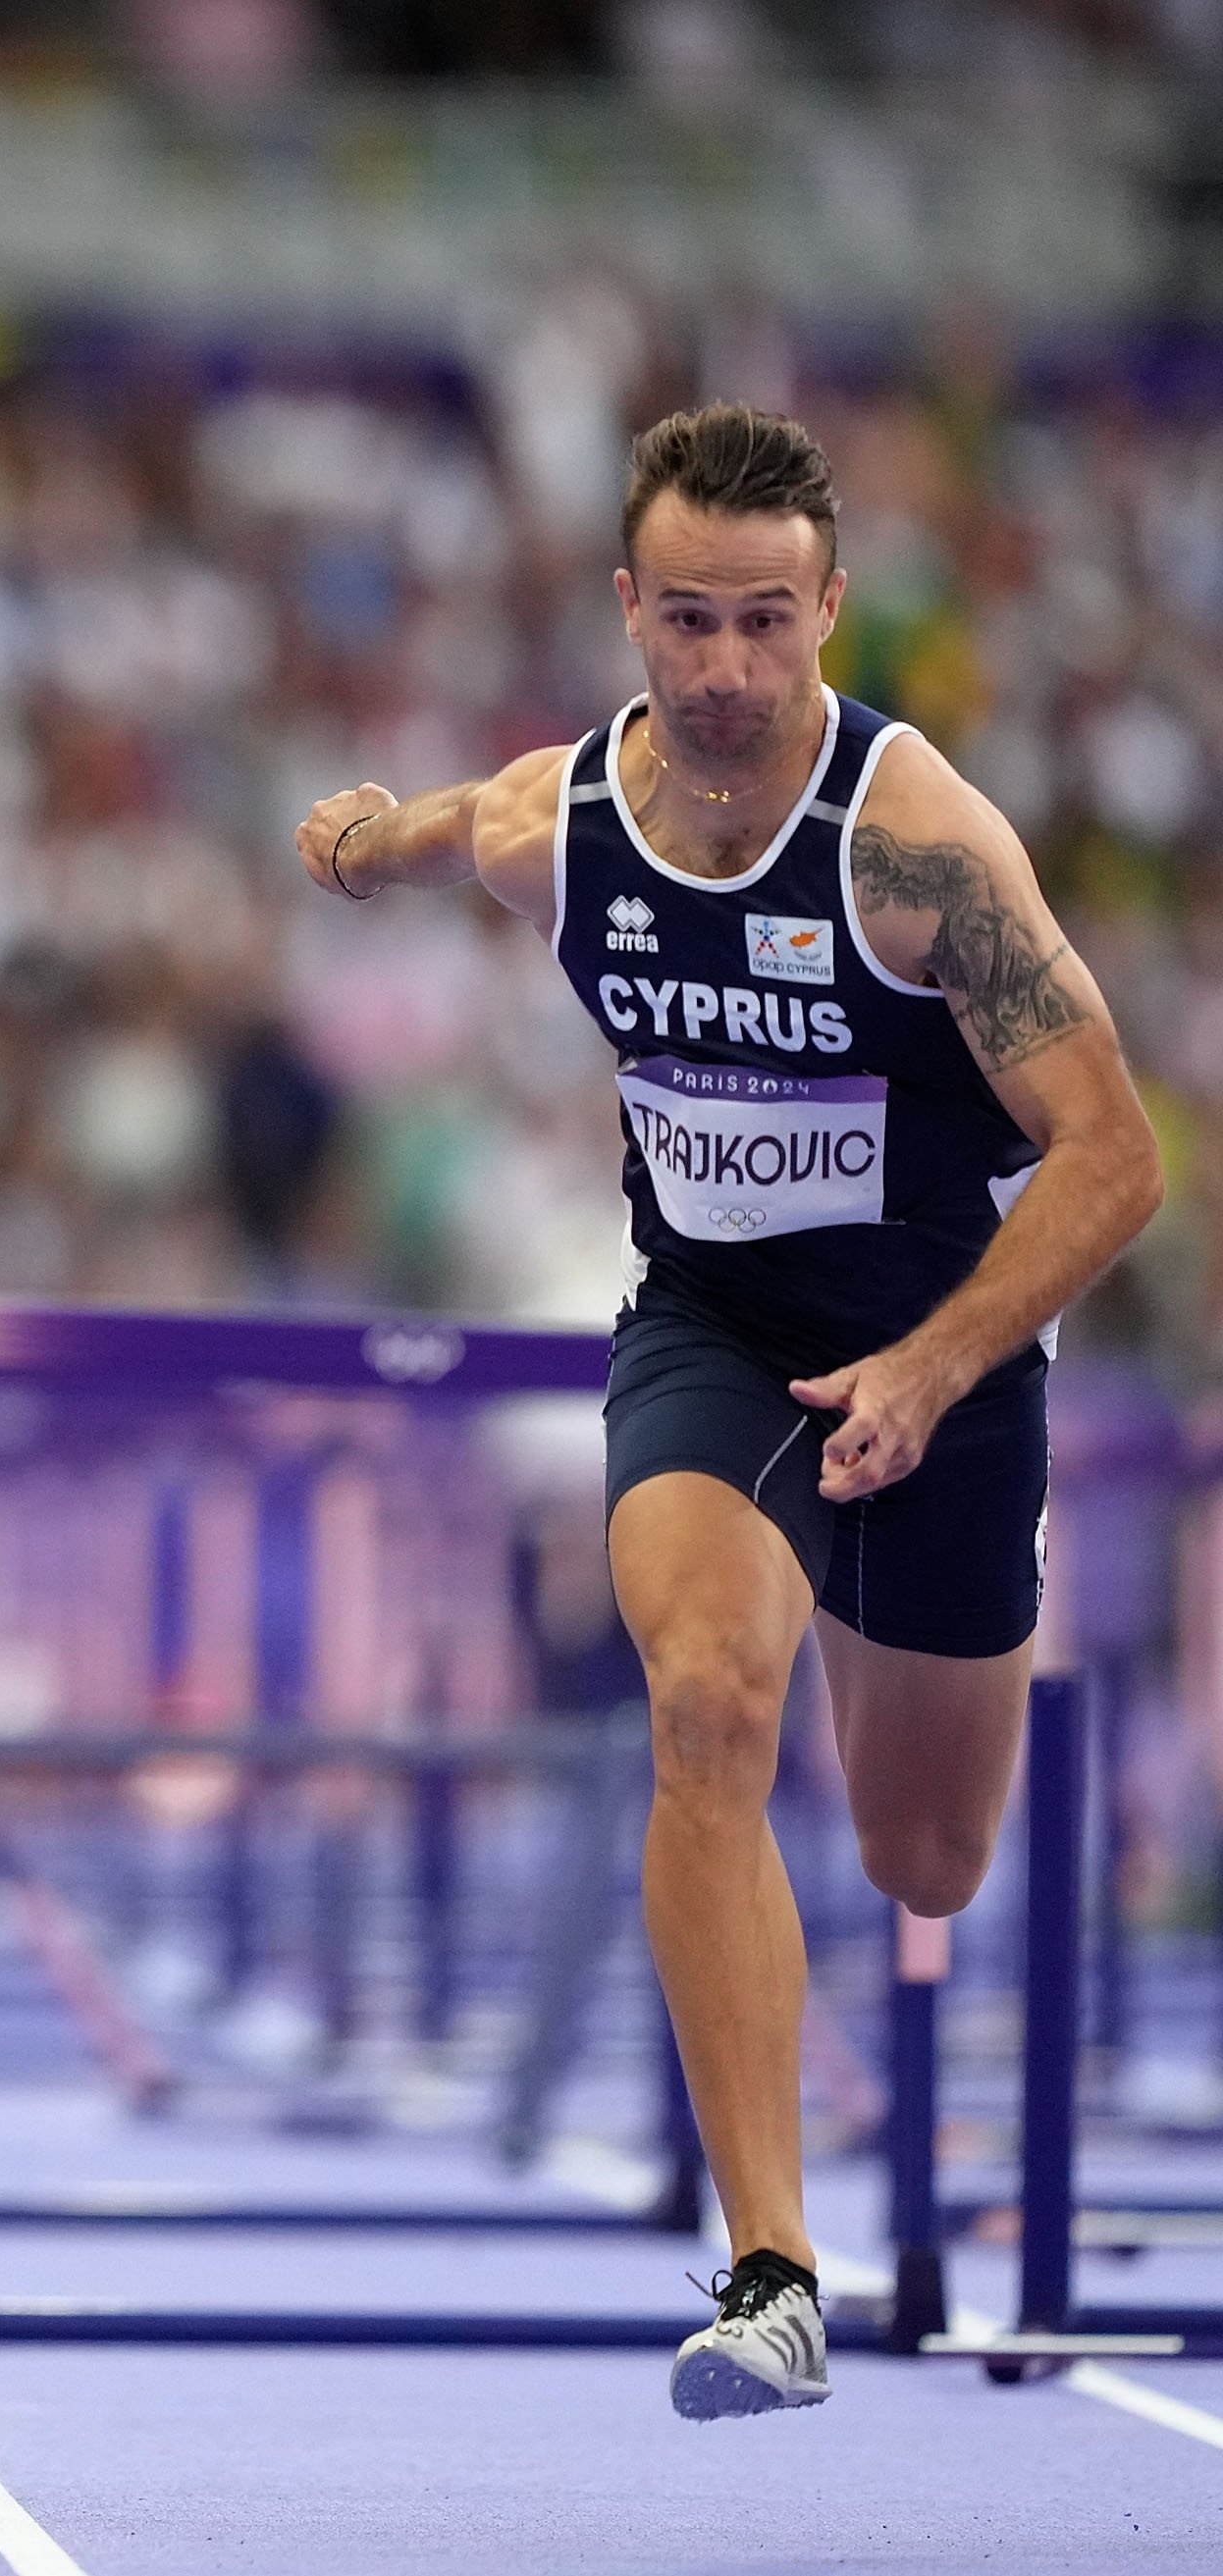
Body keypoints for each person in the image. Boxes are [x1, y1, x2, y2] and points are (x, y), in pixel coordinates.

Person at [292, 403, 1159, 2419]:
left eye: (763, 624)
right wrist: (356, 838)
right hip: (702, 1325)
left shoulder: (915, 849)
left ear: (827, 613)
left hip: (936, 1336)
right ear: (626, 608)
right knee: (695, 1694)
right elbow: (449, 820)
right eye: (682, 621)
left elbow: (1111, 1155)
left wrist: (936, 1366)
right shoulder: (563, 822)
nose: (720, 670)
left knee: (923, 1851)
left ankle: (932, 1554)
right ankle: (771, 2267)